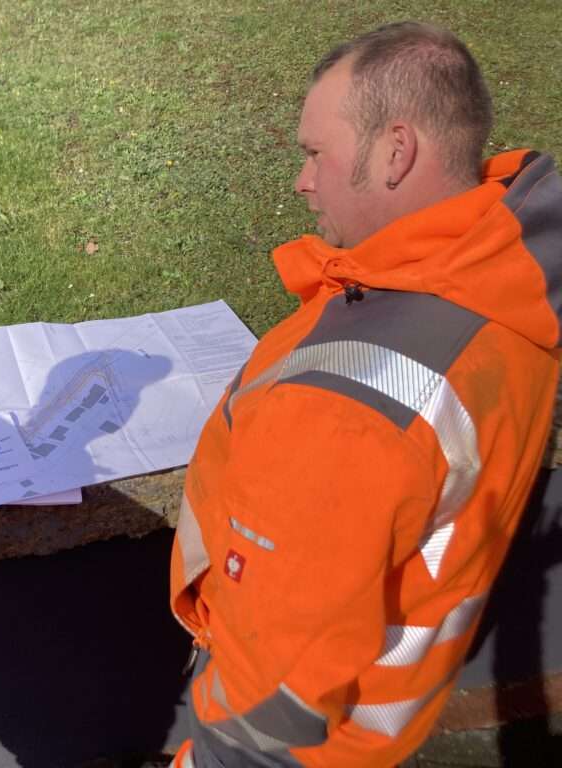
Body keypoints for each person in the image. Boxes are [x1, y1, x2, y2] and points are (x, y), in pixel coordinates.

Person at [169, 21, 562, 768]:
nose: (302, 180)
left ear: (396, 150)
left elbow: (273, 700)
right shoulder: (503, 279)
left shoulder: (341, 415)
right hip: (386, 718)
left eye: (315, 153)